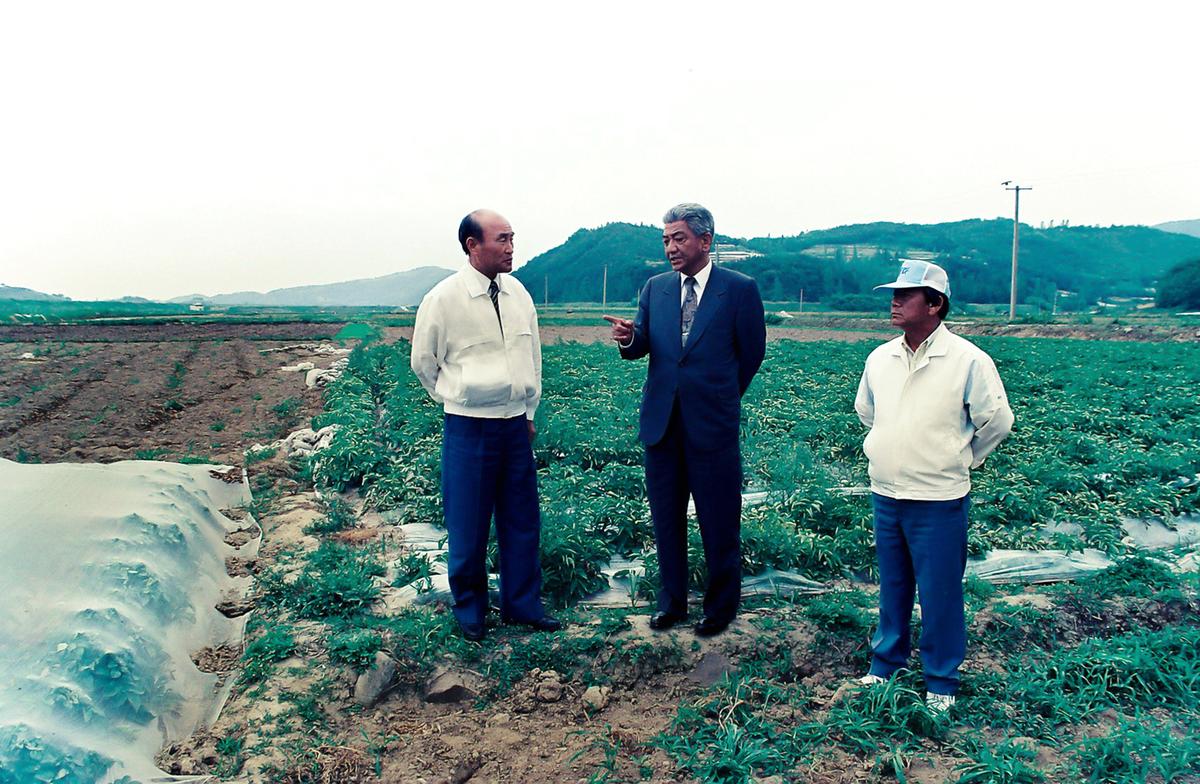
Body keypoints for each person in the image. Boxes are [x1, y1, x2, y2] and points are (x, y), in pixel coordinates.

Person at [854, 259, 1013, 712]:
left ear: (935, 304)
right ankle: (885, 664)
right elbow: (867, 411)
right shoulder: (880, 357)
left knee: (940, 591)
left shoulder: (967, 360)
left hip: (938, 498)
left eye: (907, 294)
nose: (895, 301)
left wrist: (960, 457)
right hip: (886, 492)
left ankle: (941, 681)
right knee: (893, 585)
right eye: (894, 293)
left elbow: (997, 421)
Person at [604, 203, 766, 637]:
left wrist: (722, 398)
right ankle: (671, 602)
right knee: (666, 518)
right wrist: (629, 338)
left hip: (712, 424)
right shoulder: (655, 287)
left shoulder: (738, 289)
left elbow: (751, 354)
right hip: (662, 423)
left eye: (679, 239)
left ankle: (720, 607)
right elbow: (644, 344)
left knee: (719, 518)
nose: (671, 248)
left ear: (705, 240)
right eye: (665, 240)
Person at [410, 209, 560, 641]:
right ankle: (471, 610)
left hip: (515, 427)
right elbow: (424, 362)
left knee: (521, 520)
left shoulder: (518, 294)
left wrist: (529, 412)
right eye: (502, 239)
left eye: (513, 239)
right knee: (468, 522)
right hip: (469, 427)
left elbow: (532, 358)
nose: (511, 247)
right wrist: (458, 397)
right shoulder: (444, 298)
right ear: (473, 245)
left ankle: (522, 606)